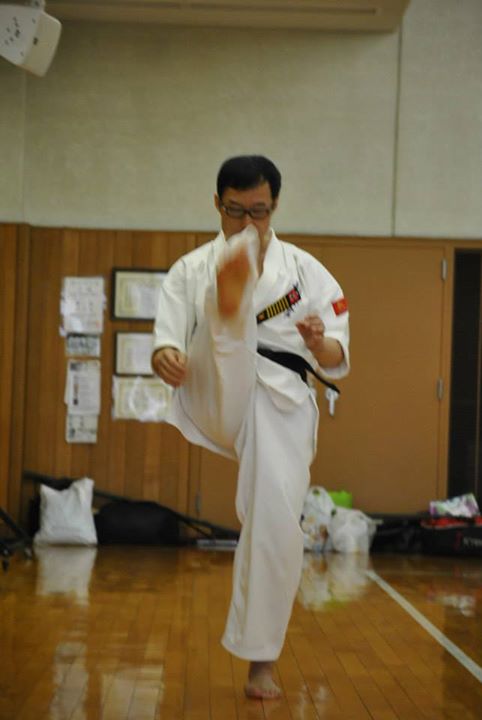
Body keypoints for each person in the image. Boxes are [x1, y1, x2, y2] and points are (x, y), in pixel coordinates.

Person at [151, 155, 350, 699]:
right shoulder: (189, 269)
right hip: (215, 384)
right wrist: (165, 355)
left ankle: (261, 660)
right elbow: (166, 339)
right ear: (217, 204)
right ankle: (229, 301)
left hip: (280, 397)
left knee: (276, 523)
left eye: (258, 212)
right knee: (223, 324)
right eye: (235, 211)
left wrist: (318, 344)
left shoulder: (305, 271)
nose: (247, 222)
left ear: (274, 206)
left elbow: (338, 354)